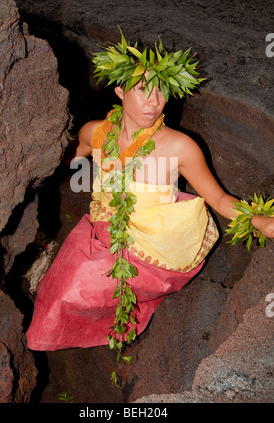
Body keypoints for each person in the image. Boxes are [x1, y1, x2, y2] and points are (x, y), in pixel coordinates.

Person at [26, 30, 274, 360]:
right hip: (101, 227)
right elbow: (66, 158)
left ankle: (125, 314)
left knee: (74, 291)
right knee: (51, 288)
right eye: (143, 90)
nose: (154, 101)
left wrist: (258, 220)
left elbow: (217, 199)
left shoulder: (180, 146)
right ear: (119, 91)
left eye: (162, 91)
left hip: (149, 246)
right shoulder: (95, 133)